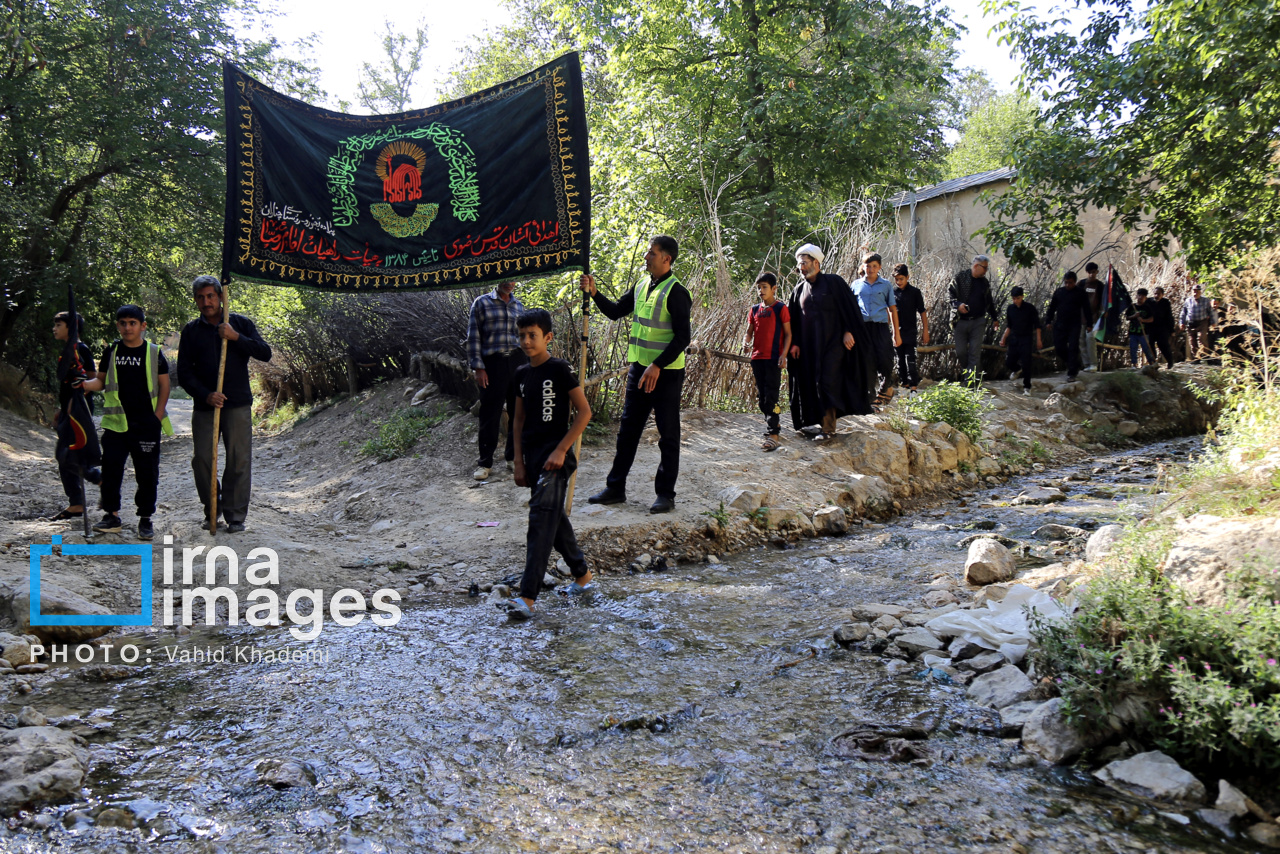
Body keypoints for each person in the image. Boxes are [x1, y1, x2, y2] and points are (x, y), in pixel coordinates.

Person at [579, 235, 691, 514]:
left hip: (666, 373)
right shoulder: (642, 284)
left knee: (668, 434)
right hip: (640, 369)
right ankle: (615, 488)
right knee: (628, 430)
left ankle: (665, 494)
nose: (646, 257)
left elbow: (683, 338)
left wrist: (658, 365)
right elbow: (616, 312)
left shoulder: (677, 292)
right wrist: (594, 293)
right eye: (647, 253)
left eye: (651, 253)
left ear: (667, 258)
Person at [502, 309, 595, 621]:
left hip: (558, 457)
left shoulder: (559, 369)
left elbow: (584, 412)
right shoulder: (520, 375)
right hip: (532, 456)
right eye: (522, 336)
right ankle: (582, 577)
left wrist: (561, 449)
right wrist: (518, 461)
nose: (526, 342)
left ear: (548, 338)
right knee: (553, 519)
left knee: (540, 519)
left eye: (533, 335)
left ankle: (527, 597)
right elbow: (517, 420)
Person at [178, 275, 272, 534]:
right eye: (201, 297)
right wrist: (206, 394)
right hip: (206, 406)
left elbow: (265, 352)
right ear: (196, 300)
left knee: (238, 461)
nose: (206, 302)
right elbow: (185, 373)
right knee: (203, 461)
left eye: (210, 296)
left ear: (220, 296)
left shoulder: (239, 323)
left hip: (238, 404)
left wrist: (236, 337)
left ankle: (235, 515)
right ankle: (212, 510)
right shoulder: (191, 331)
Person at [80, 305, 173, 540]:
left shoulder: (153, 352)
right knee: (111, 471)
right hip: (115, 424)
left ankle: (145, 518)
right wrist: (83, 385)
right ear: (117, 325)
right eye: (123, 323)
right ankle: (112, 516)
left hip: (146, 424)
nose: (127, 327)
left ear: (143, 326)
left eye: (132, 323)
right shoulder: (111, 351)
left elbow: (164, 385)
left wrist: (157, 416)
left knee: (147, 473)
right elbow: (100, 381)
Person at [786, 243, 876, 438]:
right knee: (812, 382)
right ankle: (817, 423)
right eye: (798, 264)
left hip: (833, 343)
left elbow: (850, 309)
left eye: (804, 263)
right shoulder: (799, 289)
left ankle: (828, 428)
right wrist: (794, 343)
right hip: (809, 347)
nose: (800, 268)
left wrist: (848, 330)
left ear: (816, 263)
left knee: (828, 381)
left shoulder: (833, 282)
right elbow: (793, 319)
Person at [465, 280, 526, 481]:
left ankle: (513, 457)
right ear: (498, 278)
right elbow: (473, 336)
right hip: (493, 363)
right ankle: (485, 462)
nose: (510, 284)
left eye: (513, 280)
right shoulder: (481, 303)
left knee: (518, 412)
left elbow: (525, 337)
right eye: (506, 279)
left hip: (517, 361)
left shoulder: (519, 306)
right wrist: (478, 367)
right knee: (490, 413)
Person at [50, 311, 101, 521]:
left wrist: (73, 405)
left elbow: (90, 379)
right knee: (63, 455)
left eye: (59, 324)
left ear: (71, 328)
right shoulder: (69, 349)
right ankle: (76, 503)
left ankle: (99, 479)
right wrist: (63, 408)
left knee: (68, 454)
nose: (54, 328)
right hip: (68, 410)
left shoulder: (81, 349)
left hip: (77, 412)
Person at [744, 272, 791, 451]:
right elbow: (749, 331)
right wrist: (745, 341)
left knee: (772, 397)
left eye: (764, 287)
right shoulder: (755, 309)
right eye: (759, 287)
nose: (761, 291)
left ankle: (773, 433)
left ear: (774, 289)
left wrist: (783, 355)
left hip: (773, 358)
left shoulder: (780, 308)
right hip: (757, 358)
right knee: (762, 398)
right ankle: (774, 426)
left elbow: (788, 334)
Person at [851, 252, 902, 408]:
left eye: (874, 266)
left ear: (879, 267)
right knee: (867, 363)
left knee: (886, 361)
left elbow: (893, 310)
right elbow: (851, 309)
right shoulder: (856, 285)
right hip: (863, 328)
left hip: (880, 327)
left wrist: (896, 334)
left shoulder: (885, 285)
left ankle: (885, 389)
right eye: (868, 266)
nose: (871, 269)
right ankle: (872, 399)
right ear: (863, 266)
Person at [949, 255, 999, 382]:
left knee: (974, 352)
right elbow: (949, 295)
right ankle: (972, 374)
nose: (986, 271)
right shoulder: (960, 278)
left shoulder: (984, 283)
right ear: (977, 266)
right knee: (960, 352)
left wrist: (995, 318)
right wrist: (958, 305)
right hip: (960, 321)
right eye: (985, 268)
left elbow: (989, 302)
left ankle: (970, 383)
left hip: (978, 321)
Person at [1045, 271, 1094, 381]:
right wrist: (1048, 321)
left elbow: (1087, 309)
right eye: (1066, 282)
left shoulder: (1081, 293)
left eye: (1070, 283)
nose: (1068, 285)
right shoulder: (1059, 292)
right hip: (1060, 324)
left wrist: (1089, 324)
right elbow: (1052, 308)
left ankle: (1072, 373)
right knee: (1059, 348)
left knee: (1073, 348)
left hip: (1074, 325)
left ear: (1075, 282)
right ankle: (1074, 364)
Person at [891, 264, 929, 393]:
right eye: (896, 279)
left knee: (910, 360)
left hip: (910, 331)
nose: (899, 282)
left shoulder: (915, 292)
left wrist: (925, 331)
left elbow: (922, 312)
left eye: (901, 279)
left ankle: (913, 387)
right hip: (897, 332)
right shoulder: (892, 293)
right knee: (900, 361)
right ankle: (904, 386)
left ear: (907, 277)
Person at [999, 286, 1043, 395]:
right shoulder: (1010, 309)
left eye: (1017, 298)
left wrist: (1039, 340)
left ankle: (1027, 387)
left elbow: (1037, 326)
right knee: (1009, 361)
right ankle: (1017, 369)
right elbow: (1009, 326)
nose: (1015, 301)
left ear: (1022, 297)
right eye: (1013, 299)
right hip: (1014, 338)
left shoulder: (1030, 308)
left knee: (1027, 363)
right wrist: (1003, 338)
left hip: (1026, 338)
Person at [1178, 283, 1215, 360]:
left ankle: (1205, 357)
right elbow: (1183, 312)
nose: (1195, 293)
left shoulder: (1206, 300)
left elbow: (1210, 312)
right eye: (1194, 291)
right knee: (1192, 341)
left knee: (1202, 339)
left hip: (1202, 322)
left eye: (1197, 291)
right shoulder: (1188, 301)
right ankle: (1197, 358)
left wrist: (1212, 322)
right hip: (1191, 323)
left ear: (1200, 292)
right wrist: (1182, 322)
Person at [1079, 262, 1104, 372]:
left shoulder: (1100, 286)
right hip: (1081, 317)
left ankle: (1093, 364)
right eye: (1089, 272)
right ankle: (1086, 365)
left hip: (1094, 318)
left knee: (1090, 339)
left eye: (1093, 272)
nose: (1091, 274)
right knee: (1081, 341)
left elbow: (1103, 301)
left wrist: (1103, 312)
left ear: (1097, 272)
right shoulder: (1081, 284)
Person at [1126, 288, 1157, 368]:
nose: (1140, 297)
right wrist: (1134, 316)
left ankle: (1151, 362)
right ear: (1136, 296)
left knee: (1146, 348)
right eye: (1139, 295)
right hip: (1133, 332)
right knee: (1133, 349)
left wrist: (1143, 320)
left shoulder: (1147, 307)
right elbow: (1127, 317)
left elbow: (1152, 319)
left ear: (1145, 297)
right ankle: (1134, 364)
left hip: (1144, 332)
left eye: (1142, 296)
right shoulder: (1132, 306)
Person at [1149, 285, 1177, 368]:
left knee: (1163, 344)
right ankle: (1153, 362)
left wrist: (1171, 330)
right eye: (1155, 294)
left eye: (1158, 294)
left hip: (1163, 328)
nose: (1156, 296)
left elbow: (1169, 317)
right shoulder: (1149, 302)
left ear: (1162, 294)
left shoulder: (1166, 302)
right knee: (1150, 344)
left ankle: (1170, 361)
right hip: (1151, 327)